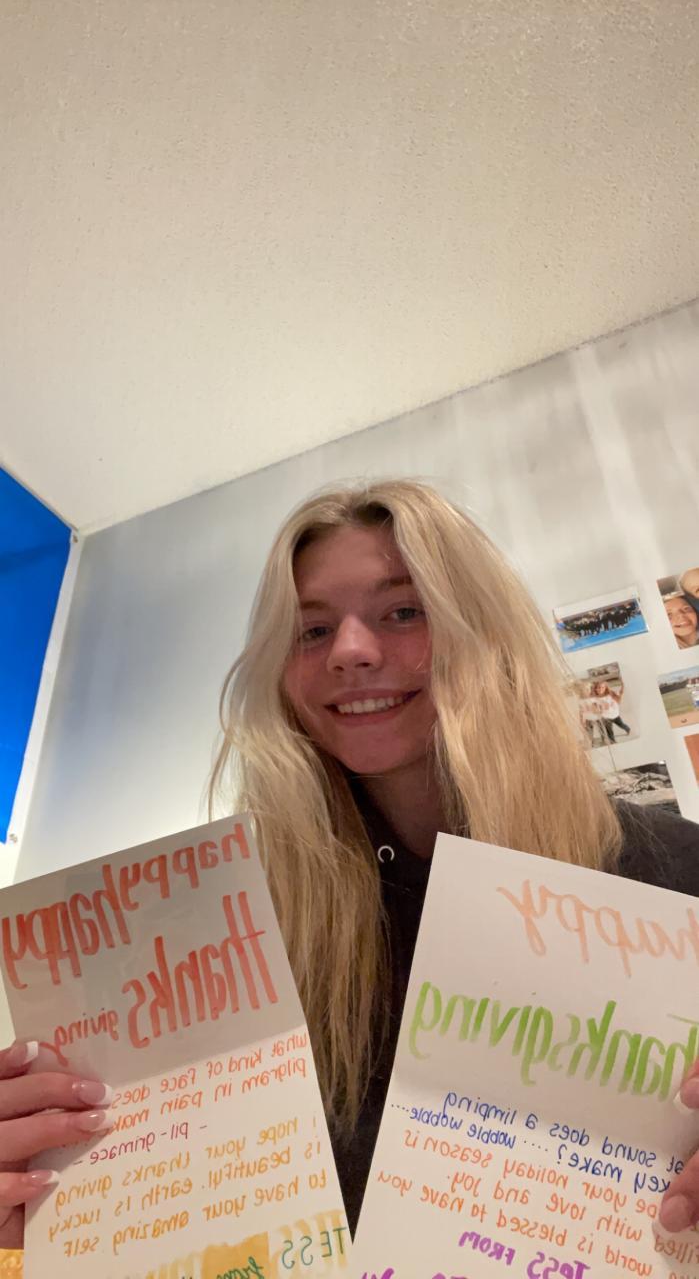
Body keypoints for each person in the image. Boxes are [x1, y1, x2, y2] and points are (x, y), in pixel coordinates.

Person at [1, 480, 699, 1270]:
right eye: (311, 630)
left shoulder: (671, 874)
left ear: (483, 630)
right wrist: (52, 1192)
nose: (349, 650)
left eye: (402, 611)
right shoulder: (235, 927)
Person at [591, 678, 632, 742]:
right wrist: (599, 709)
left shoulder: (610, 694)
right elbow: (595, 708)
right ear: (595, 689)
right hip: (606, 718)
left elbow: (619, 699)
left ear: (605, 688)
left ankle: (628, 729)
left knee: (622, 725)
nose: (600, 689)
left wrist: (622, 690)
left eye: (602, 687)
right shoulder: (595, 698)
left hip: (615, 715)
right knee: (609, 731)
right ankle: (613, 741)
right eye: (598, 687)